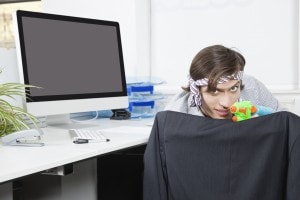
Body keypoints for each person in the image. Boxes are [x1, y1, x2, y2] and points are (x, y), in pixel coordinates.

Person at [164, 45, 287, 119]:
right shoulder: (175, 115)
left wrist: (265, 123)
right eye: (214, 91)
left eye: (233, 89)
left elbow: (286, 123)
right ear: (197, 91)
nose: (227, 103)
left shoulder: (252, 88)